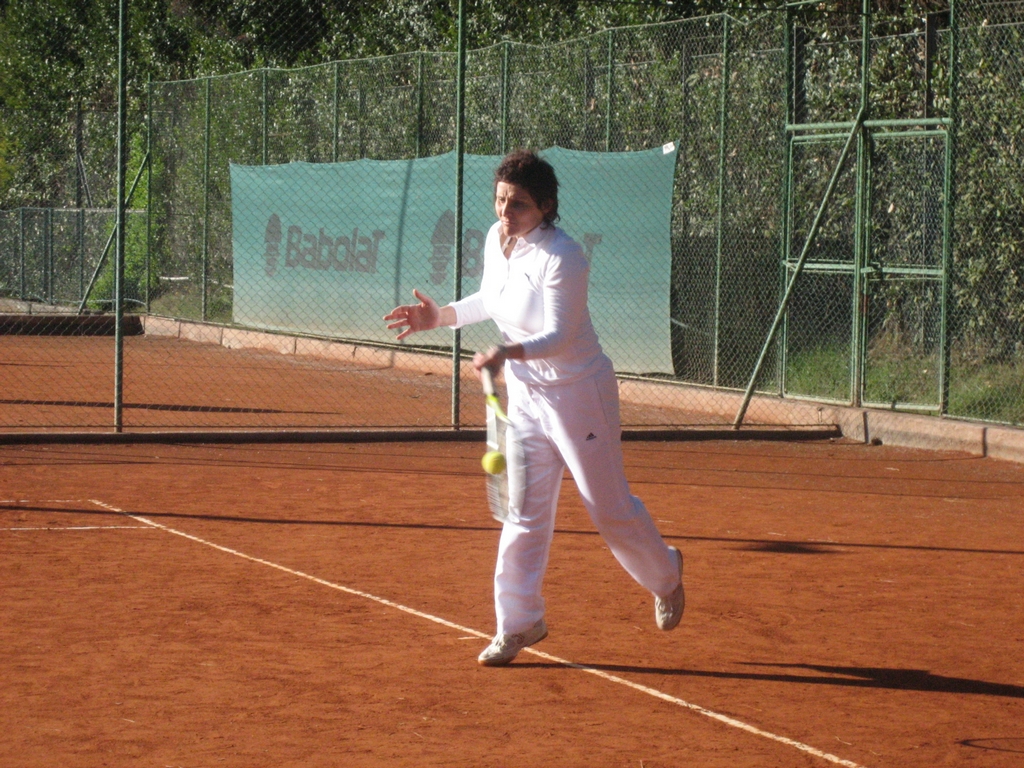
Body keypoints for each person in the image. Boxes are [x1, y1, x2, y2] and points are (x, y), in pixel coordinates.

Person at [384, 149, 683, 666]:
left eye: (518, 204)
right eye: (500, 200)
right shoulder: (496, 240)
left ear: (545, 206)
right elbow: (490, 299)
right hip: (525, 397)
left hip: (578, 394)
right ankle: (518, 622)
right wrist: (440, 317)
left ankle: (666, 575)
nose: (505, 212)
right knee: (521, 509)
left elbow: (559, 335)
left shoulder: (564, 257)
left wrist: (506, 353)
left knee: (608, 510)